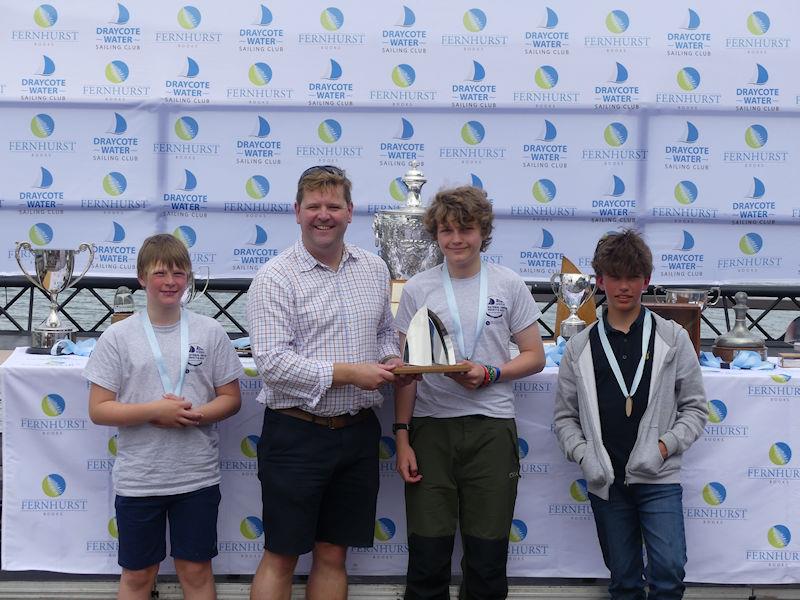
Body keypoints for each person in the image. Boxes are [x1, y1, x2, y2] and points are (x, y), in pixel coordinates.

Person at [246, 165, 409, 600]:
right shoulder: (274, 277)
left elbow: (382, 332)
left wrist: (392, 358)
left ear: (350, 212)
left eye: (333, 206)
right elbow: (272, 363)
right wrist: (350, 372)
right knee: (281, 554)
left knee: (334, 553)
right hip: (296, 433)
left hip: (356, 433)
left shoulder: (374, 269)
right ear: (296, 212)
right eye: (314, 206)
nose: (324, 215)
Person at [394, 185, 546, 600]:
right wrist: (403, 437)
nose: (456, 239)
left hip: (491, 430)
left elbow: (534, 356)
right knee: (427, 558)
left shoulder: (508, 283)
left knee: (486, 559)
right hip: (431, 431)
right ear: (435, 235)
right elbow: (408, 372)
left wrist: (493, 372)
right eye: (446, 231)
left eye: (466, 229)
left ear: (483, 231)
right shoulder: (418, 289)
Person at [84, 233, 244, 600]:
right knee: (139, 575)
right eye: (160, 273)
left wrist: (195, 414)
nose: (170, 282)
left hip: (196, 478)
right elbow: (99, 409)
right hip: (140, 480)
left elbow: (231, 399)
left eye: (178, 272)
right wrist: (155, 411)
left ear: (189, 277)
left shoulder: (210, 330)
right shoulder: (118, 337)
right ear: (142, 278)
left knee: (196, 572)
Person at [553, 229, 708, 600]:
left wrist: (663, 448)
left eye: (632, 277)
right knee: (624, 582)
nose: (624, 286)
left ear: (646, 281)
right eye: (615, 277)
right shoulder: (579, 346)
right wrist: (584, 455)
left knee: (669, 572)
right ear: (600, 281)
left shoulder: (673, 338)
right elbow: (564, 418)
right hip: (607, 483)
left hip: (658, 479)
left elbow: (696, 409)